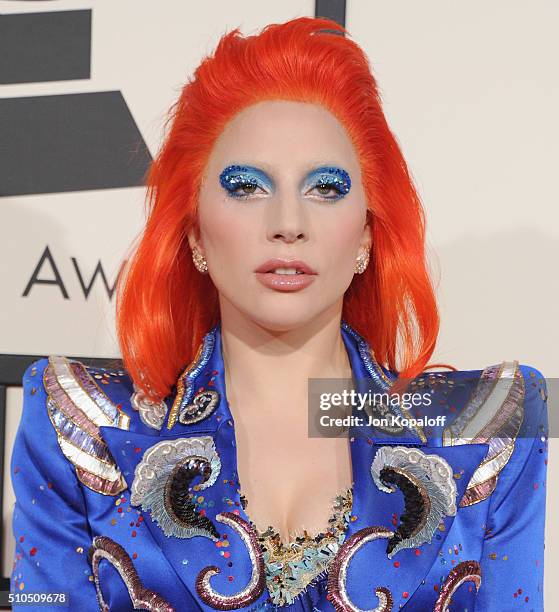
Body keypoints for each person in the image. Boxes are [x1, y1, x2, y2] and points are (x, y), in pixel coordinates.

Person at [9, 16, 548, 612]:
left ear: (367, 234)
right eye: (246, 186)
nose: (288, 222)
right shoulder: (80, 426)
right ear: (193, 232)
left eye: (326, 188)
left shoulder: (488, 430)